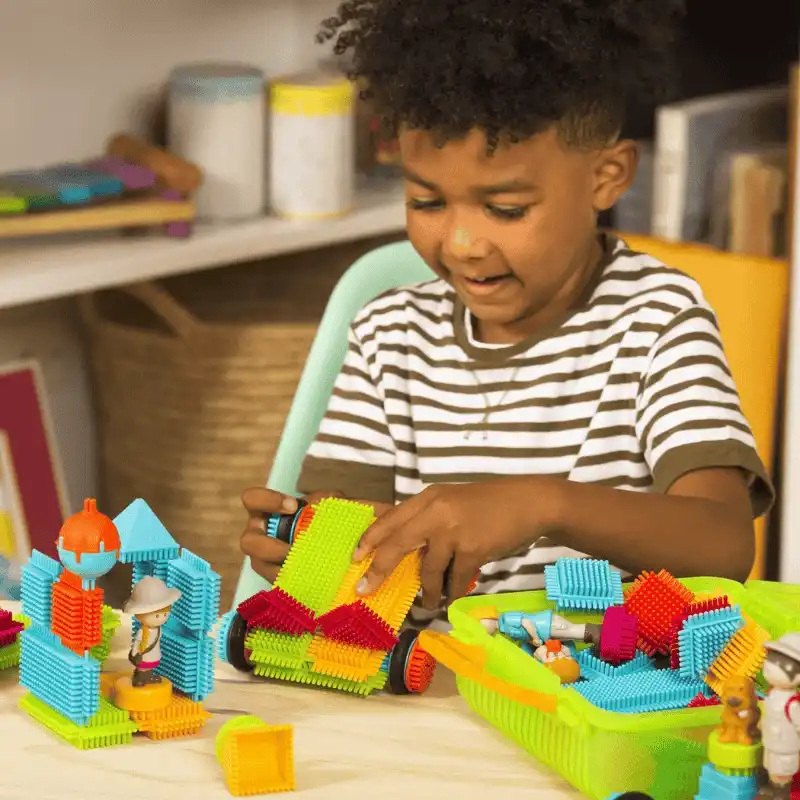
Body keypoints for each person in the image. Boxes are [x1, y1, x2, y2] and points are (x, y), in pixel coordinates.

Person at [240, 0, 773, 628]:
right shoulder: (389, 335)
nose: (462, 243)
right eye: (427, 201)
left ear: (606, 177)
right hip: (433, 671)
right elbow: (354, 540)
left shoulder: (658, 319)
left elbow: (723, 543)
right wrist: (315, 552)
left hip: (593, 675)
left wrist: (542, 505)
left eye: (506, 209)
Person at [124, 575, 181, 687]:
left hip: (154, 653)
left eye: (165, 614)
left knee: (150, 666)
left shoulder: (158, 629)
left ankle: (148, 677)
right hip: (144, 654)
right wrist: (135, 652)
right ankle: (139, 677)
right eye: (157, 615)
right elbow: (137, 642)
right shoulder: (143, 631)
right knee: (143, 667)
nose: (161, 618)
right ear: (139, 615)